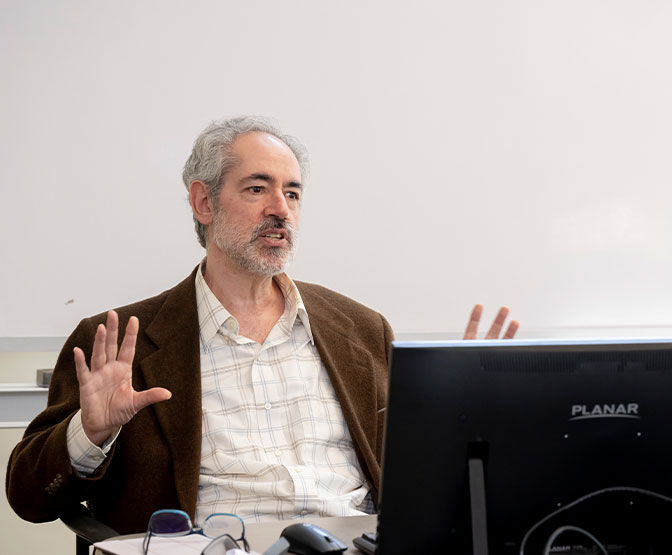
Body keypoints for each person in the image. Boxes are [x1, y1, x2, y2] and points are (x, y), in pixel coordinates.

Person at [5, 116, 518, 534]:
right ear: (203, 203)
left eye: (293, 194)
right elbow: (29, 498)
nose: (281, 210)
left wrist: (459, 417)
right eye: (257, 189)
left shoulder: (362, 330)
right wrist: (91, 433)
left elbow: (417, 483)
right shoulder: (118, 341)